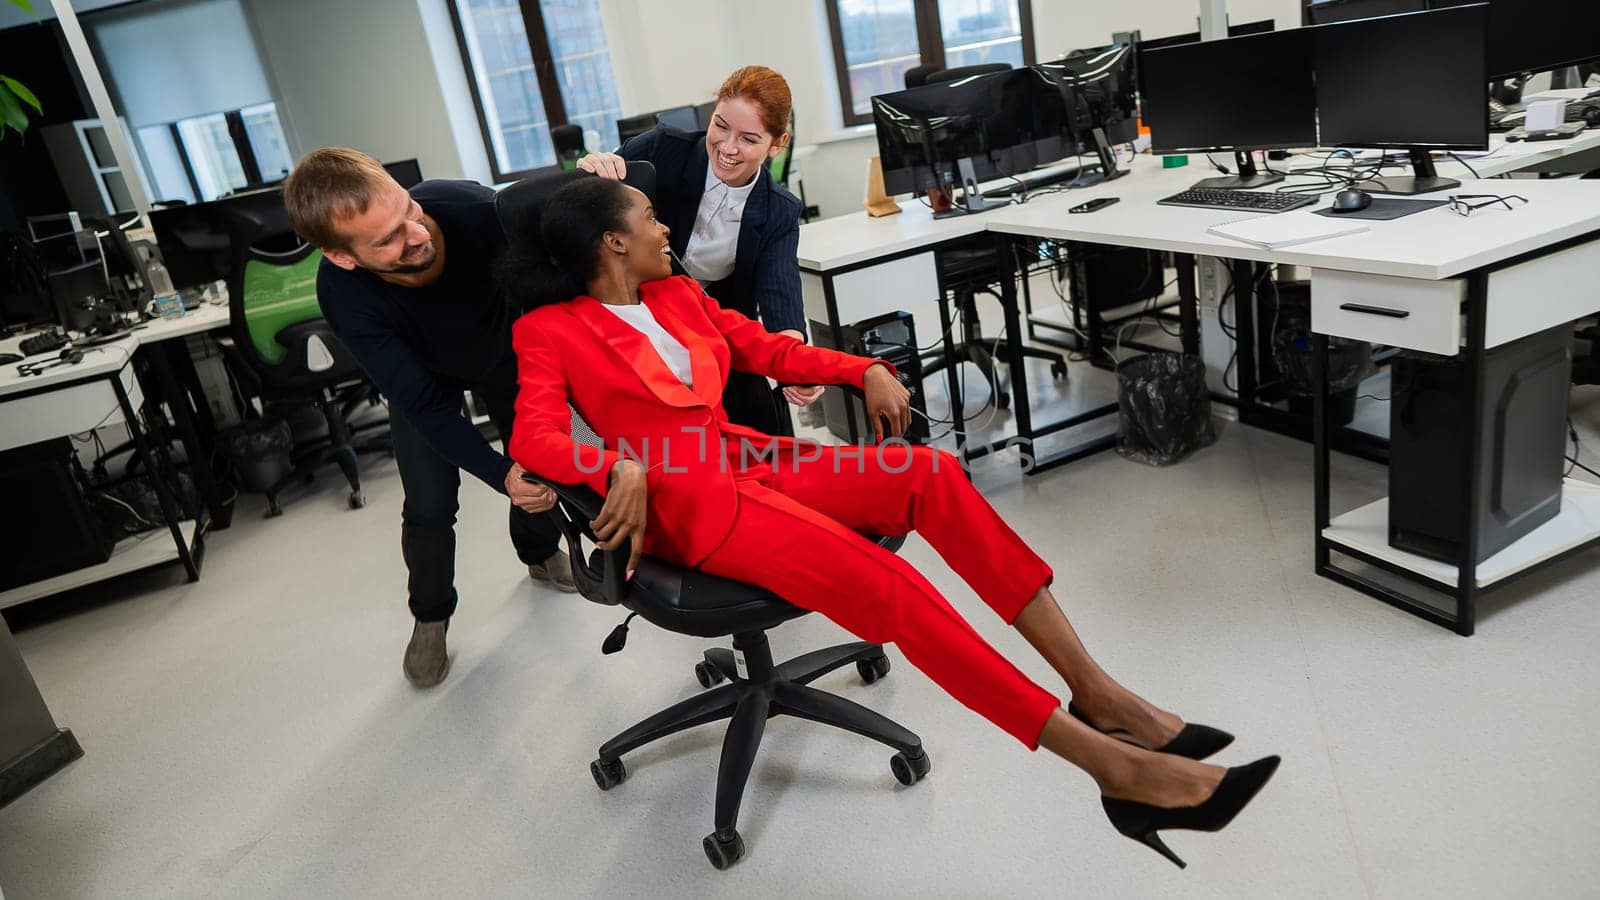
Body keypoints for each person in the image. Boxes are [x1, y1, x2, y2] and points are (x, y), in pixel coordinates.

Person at [500, 175, 1280, 868]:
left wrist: (865, 367)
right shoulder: (549, 331)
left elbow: (766, 350)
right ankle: (1116, 770)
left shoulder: (680, 296)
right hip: (690, 507)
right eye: (647, 216)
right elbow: (533, 436)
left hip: (751, 460)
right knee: (890, 584)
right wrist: (617, 466)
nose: (665, 226)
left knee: (930, 474)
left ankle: (1101, 692)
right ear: (614, 241)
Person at [283, 148, 577, 690]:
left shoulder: (473, 210)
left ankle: (538, 552)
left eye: (409, 212)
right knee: (429, 501)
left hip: (507, 350)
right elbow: (419, 404)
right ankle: (431, 615)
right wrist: (497, 474)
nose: (417, 234)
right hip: (426, 380)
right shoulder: (343, 292)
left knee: (535, 463)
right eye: (388, 239)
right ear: (343, 256)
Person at [578, 65, 820, 437]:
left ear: (777, 144)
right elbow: (585, 207)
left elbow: (780, 294)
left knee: (765, 429)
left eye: (748, 139)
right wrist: (589, 170)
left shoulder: (778, 210)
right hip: (629, 320)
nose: (727, 147)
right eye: (721, 126)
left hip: (708, 328)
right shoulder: (662, 150)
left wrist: (796, 361)